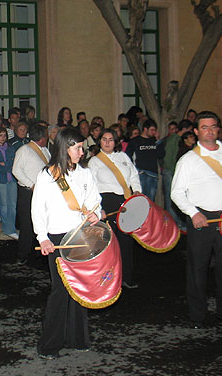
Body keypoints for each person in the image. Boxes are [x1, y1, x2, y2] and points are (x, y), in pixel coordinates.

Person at [171, 111, 222, 328]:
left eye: (213, 126)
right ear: (196, 132)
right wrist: (193, 213)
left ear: (219, 129)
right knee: (198, 269)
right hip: (201, 218)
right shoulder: (188, 160)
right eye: (204, 127)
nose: (209, 131)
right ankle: (197, 315)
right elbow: (176, 193)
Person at [32, 128, 102, 359]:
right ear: (65, 148)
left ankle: (77, 338)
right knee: (60, 290)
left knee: (79, 287)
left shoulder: (85, 174)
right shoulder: (47, 175)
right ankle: (49, 344)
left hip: (80, 236)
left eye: (82, 147)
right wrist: (42, 237)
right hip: (56, 239)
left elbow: (94, 201)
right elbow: (37, 209)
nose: (82, 152)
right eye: (77, 148)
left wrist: (96, 214)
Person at [88, 128, 141, 288]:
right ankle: (109, 278)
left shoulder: (123, 156)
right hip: (107, 202)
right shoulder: (94, 161)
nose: (107, 142)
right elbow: (92, 188)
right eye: (104, 139)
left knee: (126, 240)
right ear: (100, 142)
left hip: (125, 201)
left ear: (115, 141)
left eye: (111, 139)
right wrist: (98, 208)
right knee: (110, 242)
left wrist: (137, 190)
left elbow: (133, 175)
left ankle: (126, 276)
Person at [12, 123, 50, 265]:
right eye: (45, 135)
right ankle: (22, 255)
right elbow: (16, 170)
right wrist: (31, 184)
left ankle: (38, 251)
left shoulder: (45, 151)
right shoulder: (24, 150)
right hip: (28, 192)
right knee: (27, 224)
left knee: (41, 222)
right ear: (41, 137)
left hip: (43, 192)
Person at [125, 119, 162, 201]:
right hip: (141, 173)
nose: (153, 132)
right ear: (145, 129)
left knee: (150, 201)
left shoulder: (154, 141)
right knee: (140, 200)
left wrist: (158, 141)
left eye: (155, 130)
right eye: (152, 130)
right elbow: (127, 156)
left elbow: (161, 155)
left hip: (153, 174)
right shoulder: (135, 141)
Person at [0, 127, 18, 240]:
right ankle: (7, 229)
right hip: (0, 180)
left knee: (12, 205)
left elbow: (14, 163)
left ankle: (11, 228)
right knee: (4, 205)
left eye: (4, 135)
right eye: (0, 135)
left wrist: (5, 165)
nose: (2, 138)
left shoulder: (10, 148)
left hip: (12, 179)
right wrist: (7, 166)